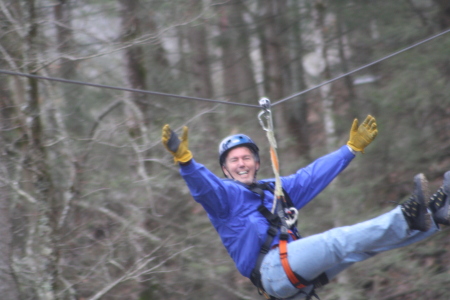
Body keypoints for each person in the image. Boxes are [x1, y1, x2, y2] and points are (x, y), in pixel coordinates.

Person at [161, 116, 450, 300]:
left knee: (363, 247)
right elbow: (203, 186)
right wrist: (186, 162)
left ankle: (434, 218)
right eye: (234, 160)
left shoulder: (276, 189)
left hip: (297, 283)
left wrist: (349, 149)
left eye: (246, 157)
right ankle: (406, 216)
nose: (241, 164)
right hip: (274, 271)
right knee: (338, 241)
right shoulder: (224, 198)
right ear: (224, 170)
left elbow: (312, 176)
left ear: (257, 163)